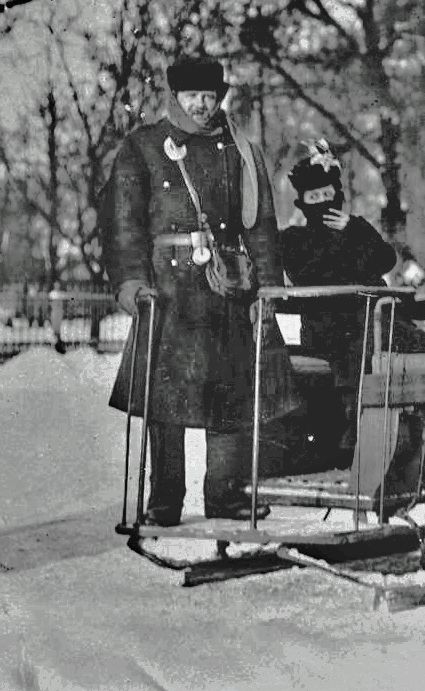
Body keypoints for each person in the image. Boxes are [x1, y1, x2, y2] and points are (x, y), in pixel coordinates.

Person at [100, 55, 298, 526]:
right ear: (175, 96)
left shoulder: (241, 150)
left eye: (211, 96)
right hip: (168, 292)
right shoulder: (142, 146)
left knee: (230, 398)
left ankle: (225, 496)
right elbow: (122, 223)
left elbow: (262, 227)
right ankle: (165, 500)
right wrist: (131, 282)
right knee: (166, 405)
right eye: (193, 97)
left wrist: (266, 289)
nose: (203, 106)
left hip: (226, 288)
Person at [281, 138, 425, 365]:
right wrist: (345, 248)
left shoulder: (355, 227)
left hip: (378, 323)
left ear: (337, 197)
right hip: (331, 331)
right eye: (314, 197)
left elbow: (386, 259)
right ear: (302, 203)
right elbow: (313, 273)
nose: (322, 202)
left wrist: (354, 229)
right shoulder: (294, 238)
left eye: (327, 195)